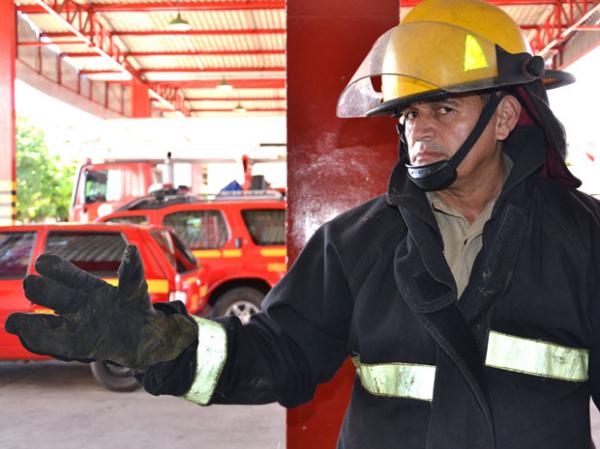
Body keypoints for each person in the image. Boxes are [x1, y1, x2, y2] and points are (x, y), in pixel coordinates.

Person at [6, 0, 599, 447]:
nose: (419, 131)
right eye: (410, 112)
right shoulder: (356, 242)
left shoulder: (584, 239)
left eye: (444, 108)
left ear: (505, 119)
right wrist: (160, 345)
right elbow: (277, 353)